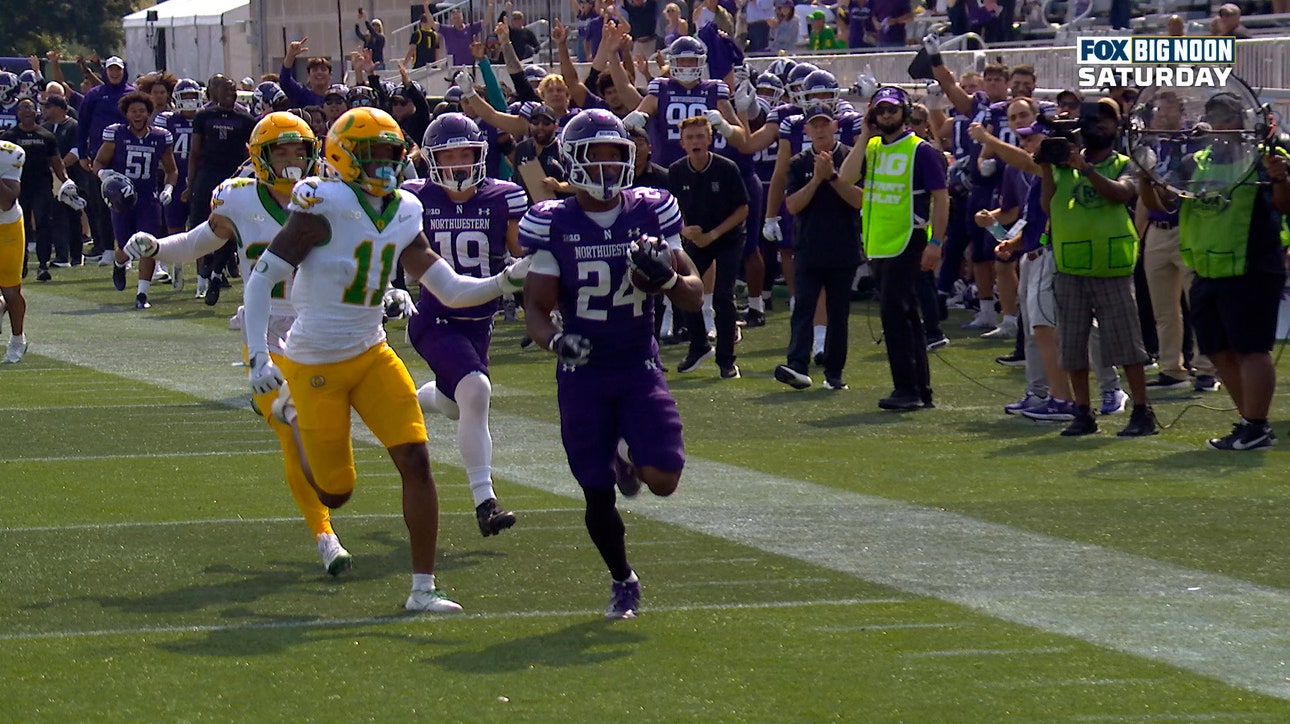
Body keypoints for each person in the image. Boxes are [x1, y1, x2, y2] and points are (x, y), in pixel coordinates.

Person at [242, 107, 530, 612]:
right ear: (343, 157)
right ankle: (289, 409)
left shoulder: (403, 210)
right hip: (314, 364)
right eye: (374, 156)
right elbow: (261, 279)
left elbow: (449, 288)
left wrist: (505, 281)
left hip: (373, 352)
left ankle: (423, 588)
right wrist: (260, 360)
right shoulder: (321, 204)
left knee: (416, 459)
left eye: (393, 156)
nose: (386, 166)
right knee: (336, 492)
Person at [122, 112, 358, 574]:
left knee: (329, 435)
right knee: (293, 434)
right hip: (264, 331)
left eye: (298, 149)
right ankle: (325, 536)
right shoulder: (239, 200)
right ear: (260, 158)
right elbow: (195, 244)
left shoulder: (332, 197)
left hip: (323, 328)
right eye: (282, 150)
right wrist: (156, 248)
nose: (292, 159)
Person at [520, 109, 703, 619]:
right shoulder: (554, 221)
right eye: (593, 156)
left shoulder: (651, 210)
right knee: (597, 492)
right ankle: (623, 579)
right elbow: (535, 309)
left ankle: (630, 454)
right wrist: (556, 343)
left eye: (615, 155)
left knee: (664, 478)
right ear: (571, 162)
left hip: (637, 360)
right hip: (584, 372)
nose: (605, 167)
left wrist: (665, 279)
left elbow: (693, 294)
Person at [1141, 93, 1290, 450]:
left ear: (1243, 122)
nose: (1221, 127)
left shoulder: (1264, 160)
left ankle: (1255, 424)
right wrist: (1146, 180)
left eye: (1228, 119)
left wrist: (1281, 177)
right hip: (1206, 268)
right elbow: (1160, 204)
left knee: (1251, 349)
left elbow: (1284, 205)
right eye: (1215, 119)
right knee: (1218, 350)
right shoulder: (1194, 163)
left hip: (1251, 266)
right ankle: (1251, 421)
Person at [403, 113, 528, 536]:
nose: (457, 163)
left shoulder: (503, 197)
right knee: (476, 389)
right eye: (448, 155)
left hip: (479, 322)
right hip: (434, 319)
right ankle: (485, 501)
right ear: (433, 160)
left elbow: (521, 251)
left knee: (458, 405)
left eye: (465, 154)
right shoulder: (415, 199)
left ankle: (415, 399)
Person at [1039, 98, 1156, 437]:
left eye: (1107, 121)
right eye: (1093, 120)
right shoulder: (1063, 165)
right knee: (1073, 346)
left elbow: (1121, 195)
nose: (1099, 127)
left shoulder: (1125, 163)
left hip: (1112, 266)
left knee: (1127, 345)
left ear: (1118, 127)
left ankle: (1142, 411)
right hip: (1071, 266)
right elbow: (1048, 205)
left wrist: (1085, 168)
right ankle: (1082, 411)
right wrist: (1047, 166)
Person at [844, 87, 947, 406]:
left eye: (892, 109)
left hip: (909, 239)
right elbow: (846, 177)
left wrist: (936, 242)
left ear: (903, 111)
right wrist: (863, 136)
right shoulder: (872, 147)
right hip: (880, 242)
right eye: (880, 110)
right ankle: (919, 389)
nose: (886, 115)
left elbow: (941, 199)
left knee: (894, 315)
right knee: (905, 317)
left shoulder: (921, 150)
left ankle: (907, 389)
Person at [772, 103, 864, 391]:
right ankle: (797, 365)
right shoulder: (798, 163)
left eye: (826, 124)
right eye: (815, 125)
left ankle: (834, 372)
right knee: (803, 308)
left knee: (839, 314)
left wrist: (833, 177)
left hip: (843, 247)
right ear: (807, 129)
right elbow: (793, 204)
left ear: (835, 126)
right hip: (809, 246)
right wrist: (817, 179)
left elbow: (860, 200)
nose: (821, 129)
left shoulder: (849, 158)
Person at [667, 115, 749, 378]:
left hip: (727, 238)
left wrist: (713, 234)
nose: (696, 142)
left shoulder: (726, 168)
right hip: (696, 239)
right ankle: (699, 346)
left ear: (710, 139)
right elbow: (672, 209)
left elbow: (742, 209)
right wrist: (684, 229)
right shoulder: (677, 171)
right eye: (690, 137)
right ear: (682, 143)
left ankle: (726, 360)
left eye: (701, 136)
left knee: (724, 295)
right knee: (684, 288)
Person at [93, 91, 177, 310]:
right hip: (122, 198)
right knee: (124, 247)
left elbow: (172, 170)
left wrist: (168, 188)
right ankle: (120, 264)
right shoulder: (117, 134)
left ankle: (142, 294)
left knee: (147, 244)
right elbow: (99, 162)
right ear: (126, 113)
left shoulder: (160, 137)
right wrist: (105, 176)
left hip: (148, 198)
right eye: (133, 111)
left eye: (141, 111)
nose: (137, 114)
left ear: (148, 113)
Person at [186, 75, 256, 302]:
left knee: (232, 225)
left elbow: (253, 150)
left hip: (233, 177)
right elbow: (195, 152)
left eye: (233, 91)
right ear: (215, 92)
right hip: (208, 174)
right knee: (200, 222)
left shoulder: (245, 119)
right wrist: (191, 183)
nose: (231, 95)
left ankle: (217, 270)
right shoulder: (204, 116)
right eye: (226, 90)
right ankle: (203, 272)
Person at [1, 97, 75, 283]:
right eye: (23, 108)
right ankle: (22, 263)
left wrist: (66, 182)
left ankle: (43, 264)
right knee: (22, 225)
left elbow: (57, 162)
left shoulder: (46, 136)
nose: (27, 111)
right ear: (17, 113)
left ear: (36, 112)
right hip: (17, 187)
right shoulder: (9, 137)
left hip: (41, 186)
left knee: (43, 222)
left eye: (30, 107)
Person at [75, 56, 133, 265]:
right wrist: (82, 154)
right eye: (111, 70)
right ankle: (107, 248)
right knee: (101, 205)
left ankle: (126, 250)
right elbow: (82, 126)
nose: (115, 73)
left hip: (128, 157)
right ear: (106, 72)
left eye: (118, 69)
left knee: (126, 204)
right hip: (99, 159)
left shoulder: (132, 94)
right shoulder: (94, 95)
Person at [42, 95, 84, 268]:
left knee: (74, 216)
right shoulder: (44, 128)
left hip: (72, 178)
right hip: (52, 181)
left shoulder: (73, 126)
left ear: (59, 108)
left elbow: (77, 150)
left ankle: (76, 255)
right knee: (57, 216)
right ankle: (62, 256)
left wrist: (59, 168)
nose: (45, 110)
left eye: (48, 106)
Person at [0, 140, 28, 363]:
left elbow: (7, 201)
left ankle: (18, 338)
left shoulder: (9, 153)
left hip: (5, 226)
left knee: (11, 291)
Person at [280, 40, 334, 108]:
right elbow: (285, 81)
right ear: (308, 76)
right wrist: (290, 55)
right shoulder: (302, 95)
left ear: (330, 75)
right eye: (315, 70)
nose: (319, 72)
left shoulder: (338, 96)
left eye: (323, 69)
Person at [406, 3, 443, 69]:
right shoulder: (435, 35)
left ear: (421, 23)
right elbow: (437, 52)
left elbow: (412, 50)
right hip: (432, 66)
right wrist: (437, 65)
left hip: (419, 66)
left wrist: (404, 64)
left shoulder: (417, 34)